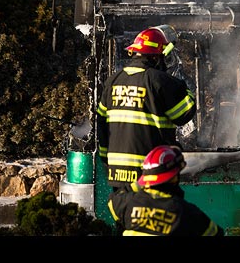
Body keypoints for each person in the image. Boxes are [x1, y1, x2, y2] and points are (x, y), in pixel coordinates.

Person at [96, 25, 197, 191]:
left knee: (127, 214)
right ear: (157, 58)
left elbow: (101, 124)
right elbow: (184, 113)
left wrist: (107, 161)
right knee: (153, 214)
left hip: (117, 174)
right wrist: (182, 84)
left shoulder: (113, 81)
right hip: (151, 170)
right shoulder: (159, 81)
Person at [108, 145, 224, 236]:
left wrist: (140, 183)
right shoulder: (186, 213)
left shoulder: (129, 203)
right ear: (174, 178)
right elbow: (215, 233)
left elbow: (114, 199)